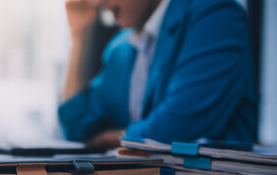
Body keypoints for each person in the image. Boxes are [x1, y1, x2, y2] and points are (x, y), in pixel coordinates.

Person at [58, 0, 257, 147]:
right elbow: (76, 125)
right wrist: (79, 35)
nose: (96, 3)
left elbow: (179, 126)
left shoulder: (216, 15)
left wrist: (114, 137)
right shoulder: (121, 48)